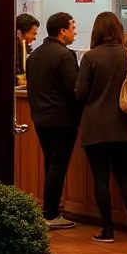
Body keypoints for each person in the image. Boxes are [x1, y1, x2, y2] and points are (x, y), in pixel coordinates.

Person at [75, 11, 127, 244]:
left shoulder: (90, 58)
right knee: (124, 175)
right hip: (123, 125)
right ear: (118, 30)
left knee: (101, 177)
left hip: (95, 126)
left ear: (96, 31)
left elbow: (80, 92)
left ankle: (107, 230)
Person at [25, 12, 81, 230]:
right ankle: (50, 213)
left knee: (51, 163)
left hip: (40, 117)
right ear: (62, 31)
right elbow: (73, 89)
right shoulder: (64, 56)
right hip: (62, 119)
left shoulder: (35, 55)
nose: (74, 32)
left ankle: (49, 209)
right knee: (58, 165)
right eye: (72, 27)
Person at [15, 13, 40, 78]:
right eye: (33, 34)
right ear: (19, 33)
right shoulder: (12, 51)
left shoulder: (25, 48)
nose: (34, 38)